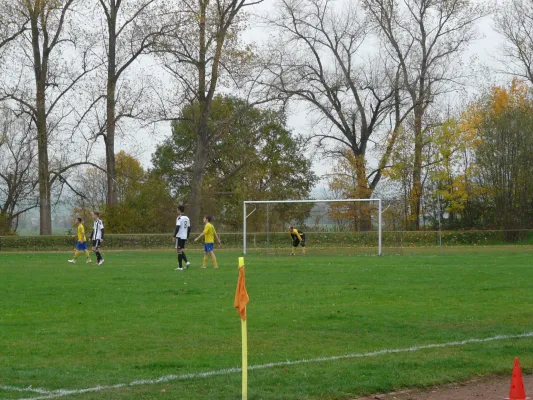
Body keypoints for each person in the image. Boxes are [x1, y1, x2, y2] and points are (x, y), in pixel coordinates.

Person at [173, 205, 191, 271]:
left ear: (179, 210)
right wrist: (187, 236)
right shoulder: (187, 218)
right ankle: (187, 262)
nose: (177, 211)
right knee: (180, 250)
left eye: (177, 210)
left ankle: (180, 267)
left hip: (179, 236)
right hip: (184, 236)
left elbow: (177, 227)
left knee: (179, 251)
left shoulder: (179, 218)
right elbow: (189, 228)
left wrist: (174, 236)